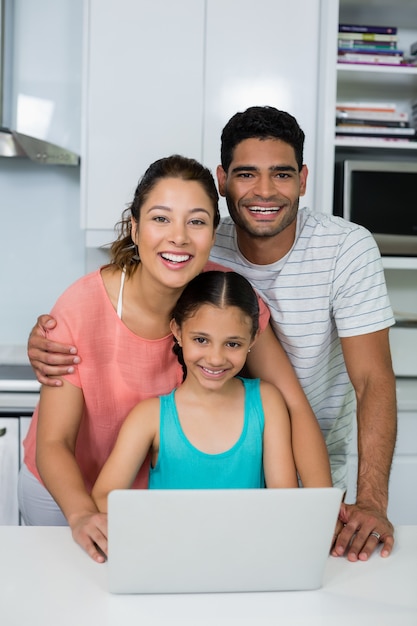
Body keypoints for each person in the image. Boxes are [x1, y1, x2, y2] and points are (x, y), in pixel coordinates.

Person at [27, 107, 397, 562]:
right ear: (135, 225)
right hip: (72, 488)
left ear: (211, 230)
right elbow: (53, 442)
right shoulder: (84, 305)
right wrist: (83, 513)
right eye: (161, 219)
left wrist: (319, 509)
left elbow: (306, 399)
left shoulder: (221, 289)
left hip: (155, 491)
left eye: (196, 222)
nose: (179, 237)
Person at [92, 270, 299, 520]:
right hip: (170, 551)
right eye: (201, 339)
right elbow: (103, 497)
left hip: (246, 553)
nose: (215, 358)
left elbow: (285, 500)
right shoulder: (149, 417)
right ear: (177, 332)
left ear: (253, 338)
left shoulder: (267, 402)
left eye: (232, 344)